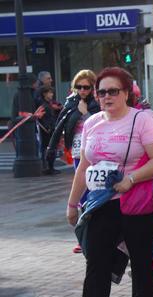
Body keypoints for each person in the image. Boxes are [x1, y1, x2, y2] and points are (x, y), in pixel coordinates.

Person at [66, 67, 153, 297]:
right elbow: (84, 166)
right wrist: (73, 205)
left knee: (141, 260)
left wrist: (131, 179)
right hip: (100, 203)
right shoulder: (93, 122)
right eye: (102, 91)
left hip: (134, 201)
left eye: (113, 91)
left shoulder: (141, 120)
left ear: (127, 93)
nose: (106, 96)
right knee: (96, 261)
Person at [47, 70, 100, 253]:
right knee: (81, 193)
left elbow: (101, 124)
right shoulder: (71, 102)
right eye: (79, 87)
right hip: (78, 151)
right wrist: (52, 148)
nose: (83, 91)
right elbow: (61, 125)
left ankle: (95, 234)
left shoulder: (97, 103)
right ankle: (83, 236)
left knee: (94, 192)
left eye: (86, 87)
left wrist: (85, 114)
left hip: (96, 152)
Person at [36, 86, 60, 174]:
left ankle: (50, 167)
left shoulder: (49, 104)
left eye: (52, 93)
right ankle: (48, 168)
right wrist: (48, 127)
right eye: (50, 93)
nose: (52, 94)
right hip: (47, 130)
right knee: (47, 148)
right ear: (44, 94)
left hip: (51, 128)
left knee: (51, 148)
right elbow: (41, 118)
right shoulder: (43, 105)